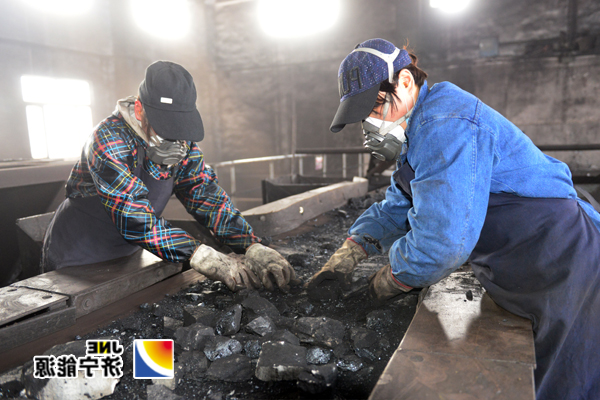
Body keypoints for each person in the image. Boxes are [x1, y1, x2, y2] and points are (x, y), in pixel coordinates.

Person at [306, 38, 600, 399]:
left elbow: (443, 243)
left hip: (560, 259)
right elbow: (398, 205)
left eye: (376, 106)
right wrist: (350, 251)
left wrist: (387, 281)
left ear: (405, 82)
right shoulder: (418, 131)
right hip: (523, 260)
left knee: (568, 377)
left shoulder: (445, 124)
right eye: (362, 116)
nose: (371, 123)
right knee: (538, 369)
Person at [42, 61, 297, 292]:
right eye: (165, 129)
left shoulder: (183, 145)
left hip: (129, 252)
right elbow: (133, 216)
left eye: (179, 129)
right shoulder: (109, 139)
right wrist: (198, 253)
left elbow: (205, 195)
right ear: (139, 110)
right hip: (79, 254)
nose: (175, 143)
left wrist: (250, 245)